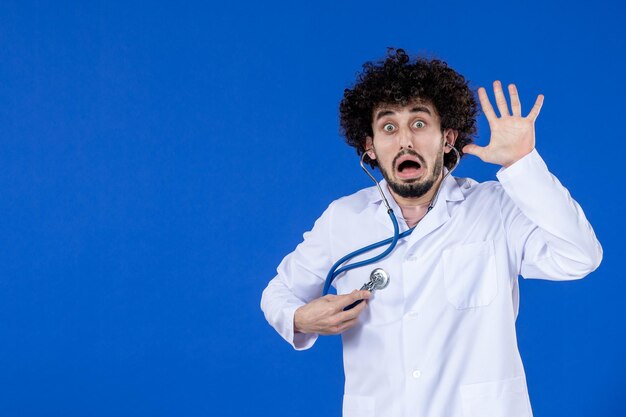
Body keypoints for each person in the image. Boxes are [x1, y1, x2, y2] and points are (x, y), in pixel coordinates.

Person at [260, 48, 602, 417]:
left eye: (419, 124)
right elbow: (278, 293)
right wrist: (298, 319)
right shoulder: (343, 219)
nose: (405, 140)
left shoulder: (495, 208)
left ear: (447, 138)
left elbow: (580, 256)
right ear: (370, 147)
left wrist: (523, 164)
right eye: (388, 127)